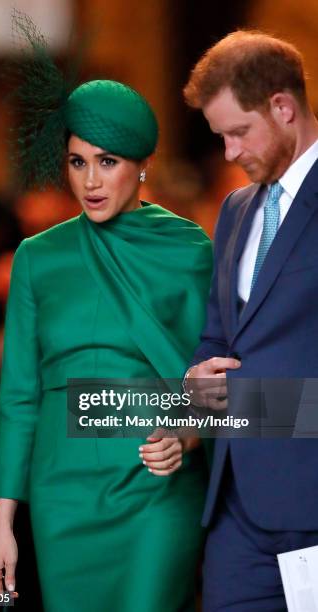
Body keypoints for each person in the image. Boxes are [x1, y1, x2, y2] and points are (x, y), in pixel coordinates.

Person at [0, 14, 213, 612]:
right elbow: (19, 396)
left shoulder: (191, 251)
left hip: (155, 484)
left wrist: (189, 435)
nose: (89, 180)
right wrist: (3, 520)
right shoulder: (38, 257)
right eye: (77, 161)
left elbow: (221, 377)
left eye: (107, 162)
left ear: (143, 164)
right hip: (62, 497)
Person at [183, 30, 318, 611]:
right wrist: (196, 386)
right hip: (233, 506)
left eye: (239, 132)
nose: (230, 152)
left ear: (283, 108)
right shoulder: (236, 209)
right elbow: (220, 335)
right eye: (221, 137)